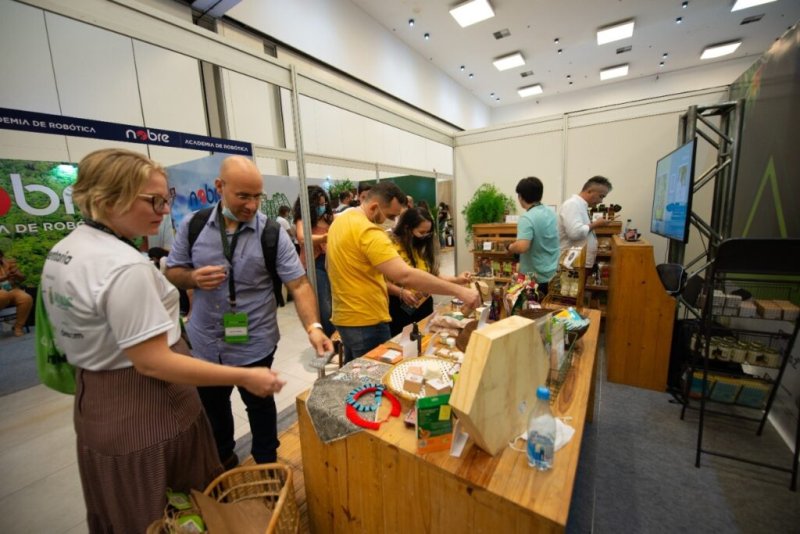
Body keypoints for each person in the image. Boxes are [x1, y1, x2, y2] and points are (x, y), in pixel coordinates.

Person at [41, 148, 287, 532]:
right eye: (153, 200)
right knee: (168, 510)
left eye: (166, 198)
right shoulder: (122, 266)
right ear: (108, 199)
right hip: (147, 409)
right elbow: (153, 361)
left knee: (126, 508)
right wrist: (244, 376)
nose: (162, 210)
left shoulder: (67, 250)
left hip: (98, 401)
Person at [166, 155, 333, 468]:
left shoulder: (271, 234)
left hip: (254, 343)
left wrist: (314, 327)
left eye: (257, 196)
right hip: (205, 345)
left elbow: (298, 285)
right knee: (214, 414)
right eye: (243, 196)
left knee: (260, 409)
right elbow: (173, 270)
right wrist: (192, 278)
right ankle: (224, 464)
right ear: (220, 187)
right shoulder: (194, 226)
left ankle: (268, 466)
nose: (252, 205)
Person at [327, 181, 481, 362]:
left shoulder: (341, 222)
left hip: (344, 317)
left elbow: (332, 267)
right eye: (390, 215)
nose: (392, 221)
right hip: (366, 320)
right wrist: (460, 291)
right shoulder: (369, 232)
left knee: (354, 374)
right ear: (375, 207)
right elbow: (405, 275)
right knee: (373, 378)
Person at [386, 207, 473, 336]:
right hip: (398, 307)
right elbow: (379, 281)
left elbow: (432, 275)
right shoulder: (388, 244)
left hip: (423, 304)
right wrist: (401, 292)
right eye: (421, 232)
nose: (425, 236)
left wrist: (457, 280)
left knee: (425, 338)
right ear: (407, 228)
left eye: (428, 233)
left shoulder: (421, 245)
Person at [293, 185, 335, 337]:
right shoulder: (303, 220)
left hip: (331, 263)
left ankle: (338, 338)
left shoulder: (327, 219)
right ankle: (331, 340)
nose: (322, 207)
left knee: (335, 304)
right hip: (315, 264)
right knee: (325, 306)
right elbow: (303, 239)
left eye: (324, 204)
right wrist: (324, 238)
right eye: (319, 205)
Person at [506, 177, 559, 296]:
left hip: (534, 277)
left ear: (520, 197)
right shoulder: (551, 213)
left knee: (530, 310)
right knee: (546, 309)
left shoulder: (527, 218)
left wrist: (510, 247)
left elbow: (522, 247)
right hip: (552, 273)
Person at [558, 176, 613, 268]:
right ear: (589, 191)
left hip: (577, 263)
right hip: (571, 264)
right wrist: (596, 224)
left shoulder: (581, 205)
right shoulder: (572, 204)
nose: (601, 201)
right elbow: (575, 233)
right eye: (601, 196)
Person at [0, 249, 32, 336]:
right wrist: (4, 277)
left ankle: (18, 327)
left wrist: (18, 275)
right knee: (3, 294)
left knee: (26, 298)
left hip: (12, 289)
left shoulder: (8, 263)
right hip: (2, 293)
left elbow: (23, 278)